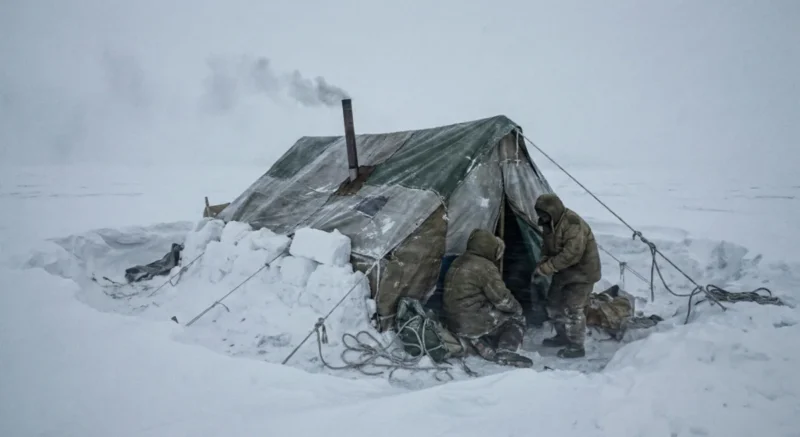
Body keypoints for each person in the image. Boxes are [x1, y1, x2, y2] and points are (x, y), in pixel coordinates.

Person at [442, 228, 532, 367]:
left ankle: (477, 340)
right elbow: (502, 299)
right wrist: (517, 308)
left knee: (489, 313)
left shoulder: (458, 261)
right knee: (516, 319)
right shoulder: (484, 267)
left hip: (453, 321)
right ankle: (506, 350)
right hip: (472, 322)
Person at [533, 193, 602, 359]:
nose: (542, 217)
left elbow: (572, 254)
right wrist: (542, 261)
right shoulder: (549, 224)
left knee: (574, 308)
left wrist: (547, 268)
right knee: (553, 304)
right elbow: (547, 247)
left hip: (583, 273)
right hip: (564, 272)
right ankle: (562, 335)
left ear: (553, 211)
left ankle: (576, 345)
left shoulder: (573, 225)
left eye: (545, 213)